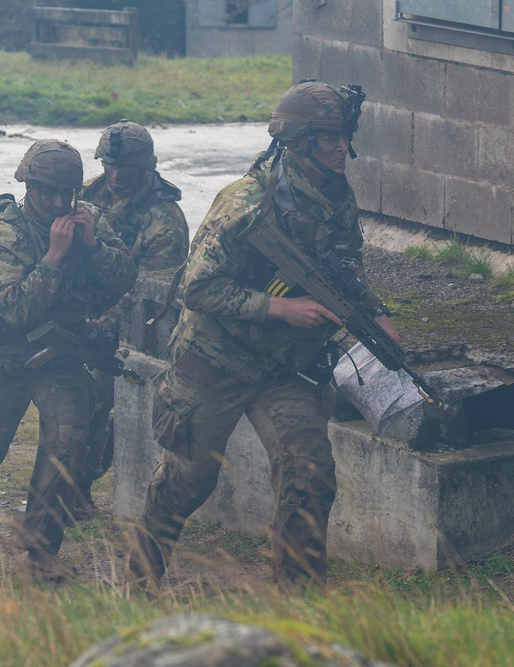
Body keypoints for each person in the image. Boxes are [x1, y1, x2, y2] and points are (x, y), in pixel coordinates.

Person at [125, 81, 398, 591]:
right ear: (297, 142)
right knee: (187, 483)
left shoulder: (335, 195)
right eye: (329, 138)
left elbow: (345, 267)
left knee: (309, 473)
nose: (342, 148)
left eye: (344, 136)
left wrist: (373, 313)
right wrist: (279, 308)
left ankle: (300, 604)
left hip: (283, 369)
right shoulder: (246, 203)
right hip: (214, 363)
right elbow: (196, 287)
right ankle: (140, 581)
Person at [0, 140, 137, 580]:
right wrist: (54, 256)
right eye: (45, 192)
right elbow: (13, 308)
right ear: (29, 187)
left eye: (63, 193)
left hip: (61, 360)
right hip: (4, 359)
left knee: (67, 447)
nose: (54, 202)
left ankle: (42, 546)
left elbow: (126, 277)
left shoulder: (90, 220)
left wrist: (94, 246)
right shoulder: (5, 235)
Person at [72, 120, 189, 520]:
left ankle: (79, 487)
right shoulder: (88, 193)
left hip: (127, 329)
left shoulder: (164, 220)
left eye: (126, 168)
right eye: (109, 164)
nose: (116, 175)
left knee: (99, 404)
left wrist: (102, 321)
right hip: (78, 312)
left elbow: (152, 292)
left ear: (146, 167)